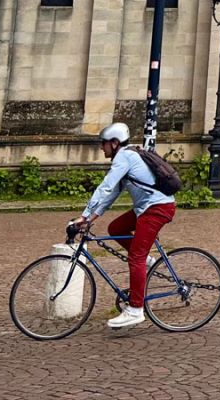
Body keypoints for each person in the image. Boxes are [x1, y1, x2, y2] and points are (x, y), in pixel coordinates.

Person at [74, 123, 177, 330]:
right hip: (146, 208)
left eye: (103, 144)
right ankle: (146, 260)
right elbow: (110, 195)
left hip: (157, 209)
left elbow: (105, 187)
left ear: (114, 143)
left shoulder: (124, 157)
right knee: (116, 229)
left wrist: (84, 215)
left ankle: (135, 310)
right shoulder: (127, 158)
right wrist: (89, 219)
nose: (101, 148)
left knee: (135, 258)